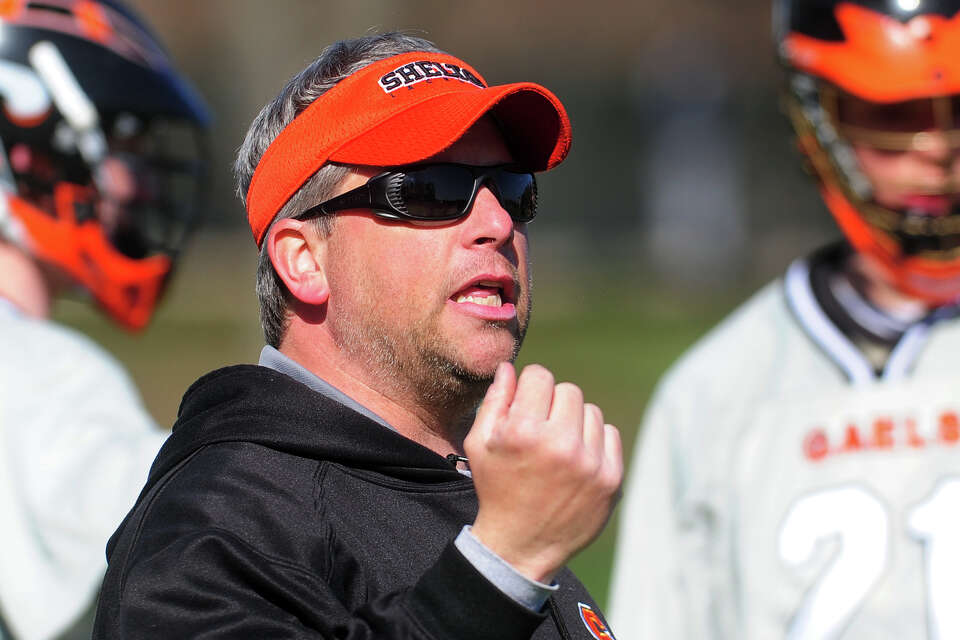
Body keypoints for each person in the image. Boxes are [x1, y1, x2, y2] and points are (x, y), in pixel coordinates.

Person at [92, 33, 622, 639]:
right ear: (304, 261)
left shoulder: (491, 502)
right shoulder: (218, 525)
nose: (498, 223)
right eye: (430, 190)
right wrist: (501, 568)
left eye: (513, 190)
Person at [609, 1, 960, 638]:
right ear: (818, 118)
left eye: (958, 110)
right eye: (893, 112)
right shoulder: (713, 395)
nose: (937, 148)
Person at [0, 1, 210, 638]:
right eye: (125, 150)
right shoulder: (47, 376)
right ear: (29, 151)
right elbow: (205, 533)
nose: (143, 185)